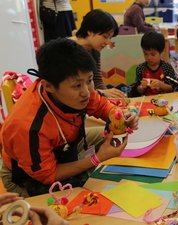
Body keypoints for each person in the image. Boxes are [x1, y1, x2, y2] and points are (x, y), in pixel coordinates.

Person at [0, 38, 139, 198]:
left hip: (63, 147)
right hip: (27, 176)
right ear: (49, 86)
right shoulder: (27, 126)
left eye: (90, 80)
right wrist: (97, 158)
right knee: (77, 196)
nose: (86, 91)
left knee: (113, 135)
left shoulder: (78, 89)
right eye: (77, 85)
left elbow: (101, 106)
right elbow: (48, 175)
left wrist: (119, 115)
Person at [70, 9, 126, 99]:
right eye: (105, 36)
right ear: (90, 31)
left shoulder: (94, 50)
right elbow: (70, 87)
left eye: (110, 38)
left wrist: (107, 98)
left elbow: (97, 80)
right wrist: (101, 93)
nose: (108, 42)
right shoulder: (67, 50)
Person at [130, 31, 176, 96]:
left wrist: (161, 84)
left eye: (153, 54)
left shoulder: (167, 67)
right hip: (147, 100)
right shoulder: (141, 68)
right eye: (145, 54)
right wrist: (142, 87)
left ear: (162, 51)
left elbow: (171, 88)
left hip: (165, 99)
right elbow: (139, 90)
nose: (149, 57)